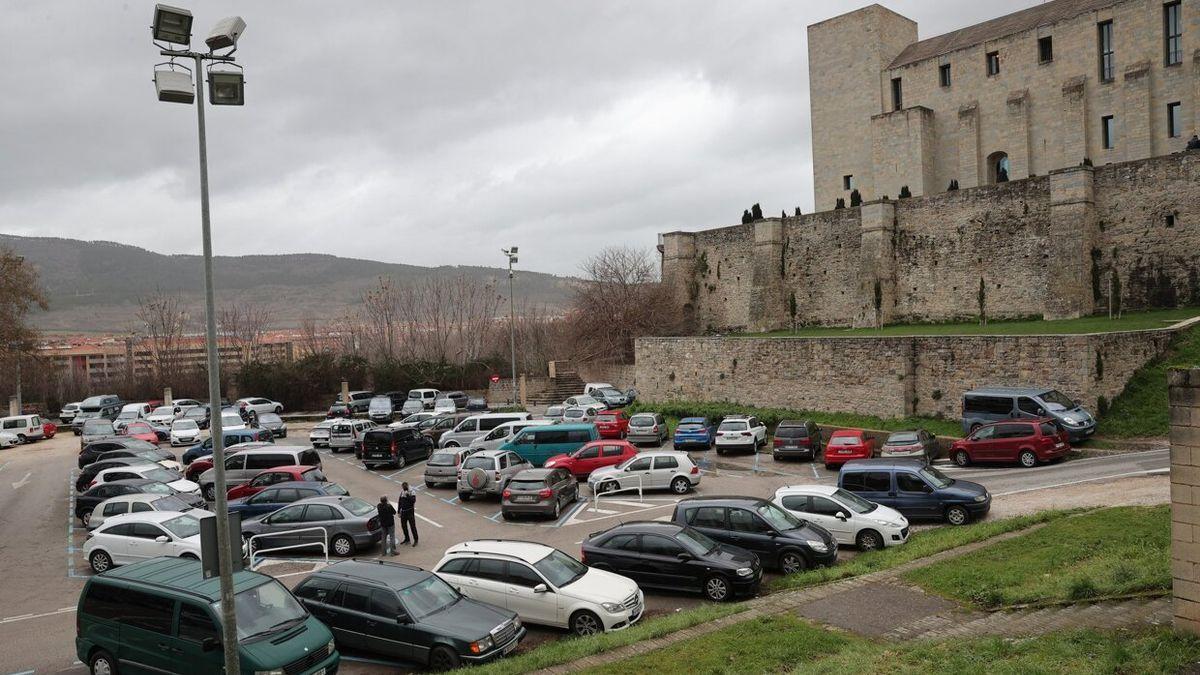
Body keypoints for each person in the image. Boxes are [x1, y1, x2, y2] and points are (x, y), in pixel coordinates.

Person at [398, 482, 418, 547]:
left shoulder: (412, 492)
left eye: (404, 487)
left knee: (412, 526)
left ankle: (416, 540)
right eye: (403, 488)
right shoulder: (402, 492)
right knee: (403, 526)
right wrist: (399, 511)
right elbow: (400, 502)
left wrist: (407, 495)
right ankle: (407, 539)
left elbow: (413, 501)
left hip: (410, 512)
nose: (403, 489)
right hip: (403, 512)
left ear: (407, 486)